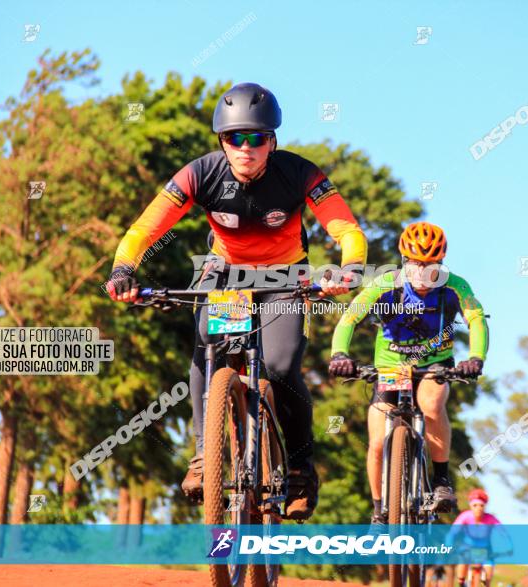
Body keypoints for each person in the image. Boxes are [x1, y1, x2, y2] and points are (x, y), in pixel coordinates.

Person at [106, 82, 367, 519]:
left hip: (286, 275)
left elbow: (346, 229)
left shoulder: (299, 173)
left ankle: (301, 470)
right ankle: (204, 455)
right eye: (234, 138)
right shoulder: (199, 173)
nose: (245, 148)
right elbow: (145, 229)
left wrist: (352, 267)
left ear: (273, 141)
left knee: (282, 367)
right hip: (225, 273)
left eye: (256, 138)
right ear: (221, 142)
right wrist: (123, 268)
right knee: (207, 347)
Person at [328, 221, 487, 523]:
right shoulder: (385, 284)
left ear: (441, 263)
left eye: (432, 266)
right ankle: (378, 511)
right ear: (404, 262)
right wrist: (339, 354)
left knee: (430, 405)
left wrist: (476, 358)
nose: (424, 273)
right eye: (417, 265)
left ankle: (440, 481)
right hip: (391, 365)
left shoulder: (456, 286)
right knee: (376, 442)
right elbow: (350, 319)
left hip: (433, 363)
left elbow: (476, 320)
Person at [448, 488, 503, 586]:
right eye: (475, 505)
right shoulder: (465, 516)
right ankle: (461, 582)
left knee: (488, 579)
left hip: (485, 550)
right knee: (462, 564)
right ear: (470, 506)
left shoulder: (490, 519)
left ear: (485, 506)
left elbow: (503, 534)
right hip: (467, 547)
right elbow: (453, 532)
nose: (478, 508)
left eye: (482, 505)